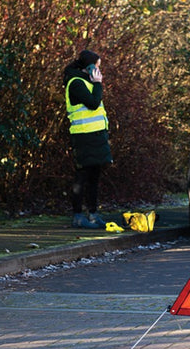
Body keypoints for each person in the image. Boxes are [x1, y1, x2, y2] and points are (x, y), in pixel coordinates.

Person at [63, 50, 112, 229]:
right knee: (82, 176)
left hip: (96, 135)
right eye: (97, 66)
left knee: (94, 176)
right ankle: (78, 216)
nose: (99, 70)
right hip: (83, 136)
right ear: (90, 67)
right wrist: (98, 83)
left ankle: (93, 214)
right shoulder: (76, 83)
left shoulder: (87, 82)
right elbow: (93, 103)